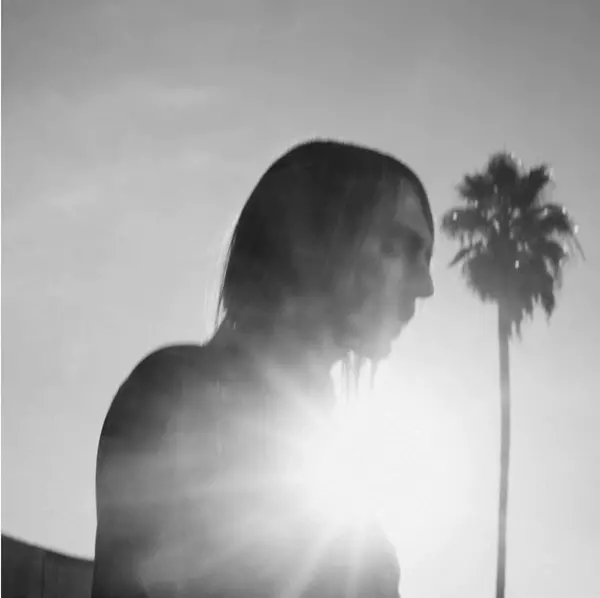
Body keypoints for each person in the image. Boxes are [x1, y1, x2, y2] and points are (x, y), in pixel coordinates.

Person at [91, 139, 435, 598]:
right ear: (312, 238)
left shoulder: (337, 465)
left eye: (425, 258)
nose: (425, 286)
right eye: (396, 246)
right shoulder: (179, 392)